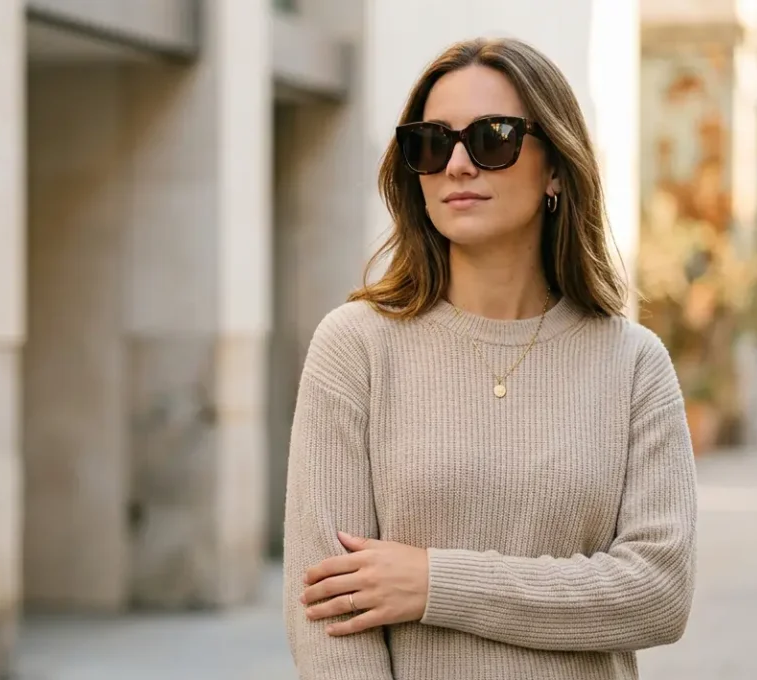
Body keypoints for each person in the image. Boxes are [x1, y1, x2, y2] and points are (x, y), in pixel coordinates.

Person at [281, 37, 697, 680]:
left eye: (492, 138)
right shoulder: (355, 348)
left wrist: (433, 582)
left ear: (556, 167)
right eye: (431, 142)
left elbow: (657, 594)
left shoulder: (634, 364)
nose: (458, 165)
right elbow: (330, 619)